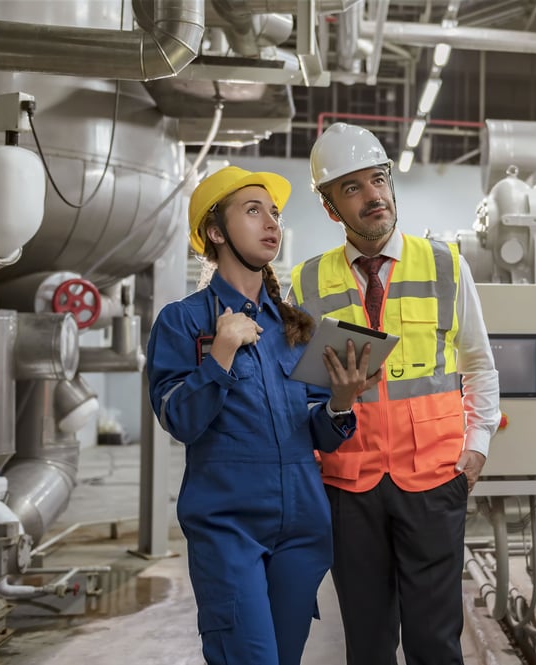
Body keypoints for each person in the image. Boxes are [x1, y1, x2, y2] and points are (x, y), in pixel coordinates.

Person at [289, 123, 501, 665]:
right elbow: (300, 393)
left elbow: (478, 362)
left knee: (435, 644)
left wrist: (477, 447)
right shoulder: (306, 284)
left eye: (378, 180)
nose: (373, 196)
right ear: (331, 208)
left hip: (433, 479)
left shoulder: (447, 266)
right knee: (368, 643)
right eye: (353, 188)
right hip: (348, 484)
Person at [146, 165, 376, 665]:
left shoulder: (295, 328)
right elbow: (179, 420)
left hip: (301, 527)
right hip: (228, 526)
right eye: (253, 211)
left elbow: (316, 428)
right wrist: (221, 354)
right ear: (215, 231)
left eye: (274, 213)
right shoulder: (183, 321)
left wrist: (341, 400)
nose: (272, 222)